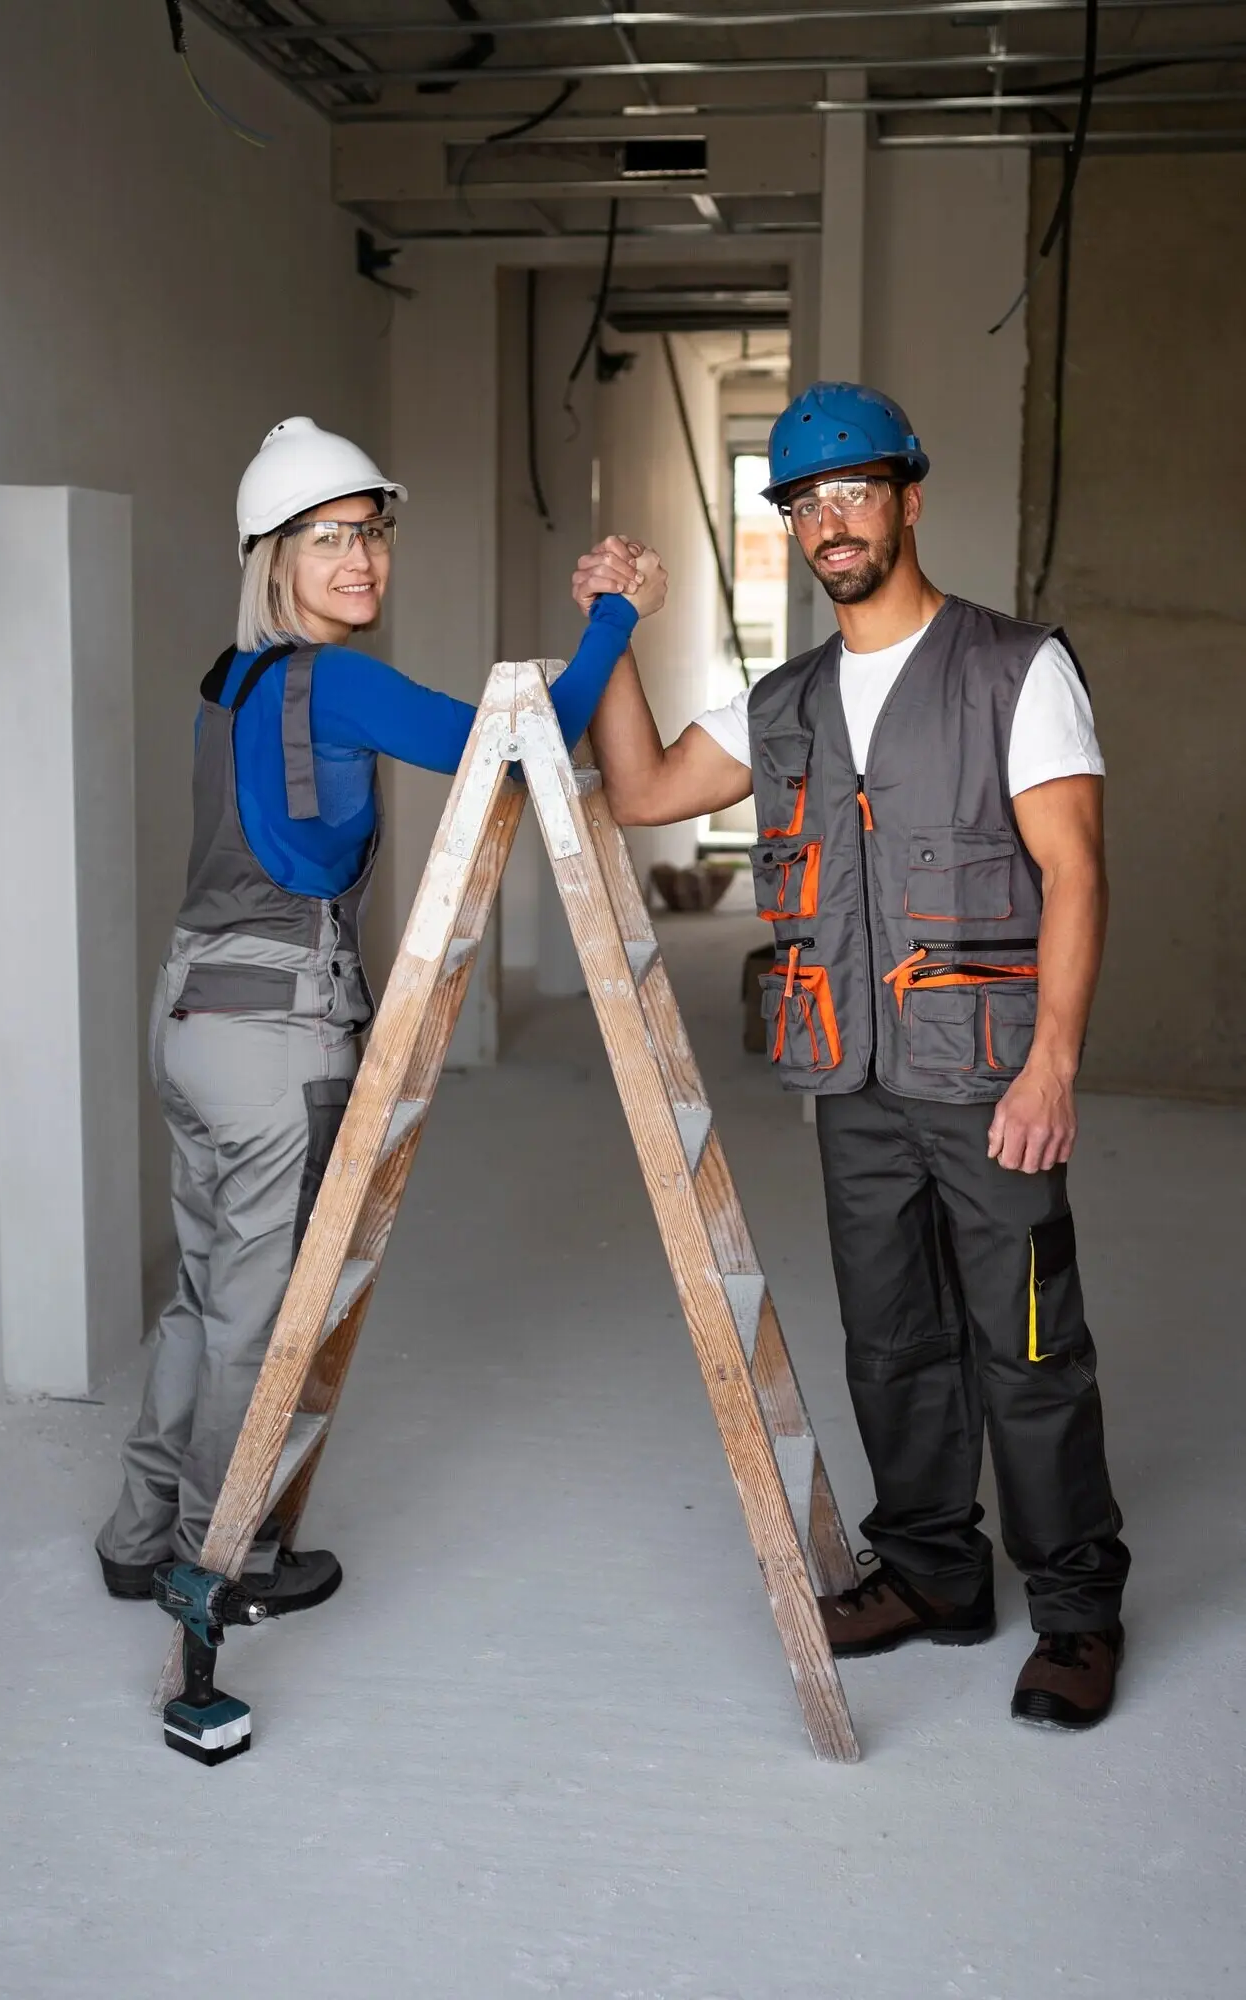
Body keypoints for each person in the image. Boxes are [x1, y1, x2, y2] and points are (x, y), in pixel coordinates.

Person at [573, 381, 1129, 1730]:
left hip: (992, 1078)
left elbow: (1074, 871)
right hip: (855, 1084)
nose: (831, 521)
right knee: (890, 1340)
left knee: (1028, 1347)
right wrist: (614, 628)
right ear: (792, 527)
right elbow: (641, 791)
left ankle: (1075, 1611)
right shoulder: (786, 702)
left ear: (907, 499)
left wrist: (1053, 1065)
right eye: (806, 503)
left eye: (855, 492)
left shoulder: (1012, 668)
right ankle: (935, 1572)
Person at [98, 416, 666, 1613]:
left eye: (371, 532)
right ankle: (217, 1559)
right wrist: (614, 617)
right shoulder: (335, 680)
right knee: (259, 1313)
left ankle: (139, 1530)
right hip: (273, 1035)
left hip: (191, 1016)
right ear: (274, 556)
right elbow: (526, 741)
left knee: (204, 1291)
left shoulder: (230, 678)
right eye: (327, 538)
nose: (359, 558)